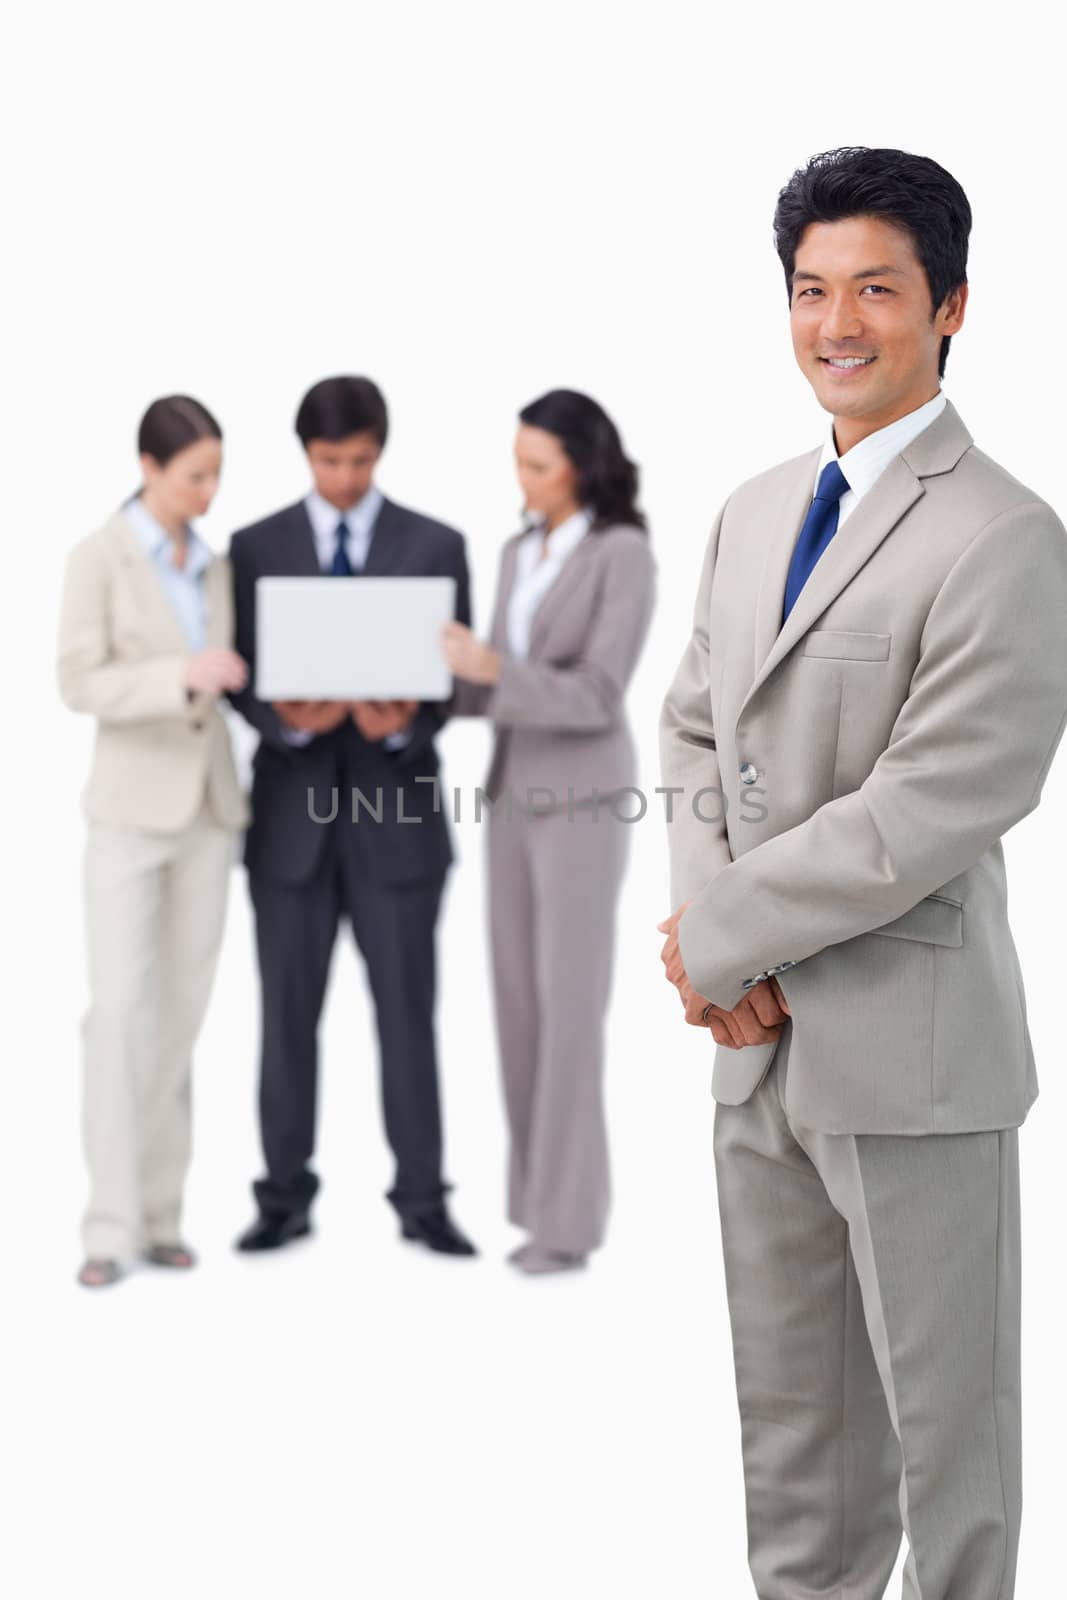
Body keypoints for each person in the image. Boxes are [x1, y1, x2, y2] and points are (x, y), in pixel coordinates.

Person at [658, 146, 1067, 1598]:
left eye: (874, 291)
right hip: (755, 1055)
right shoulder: (751, 508)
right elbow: (695, 722)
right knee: (795, 1447)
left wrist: (720, 938)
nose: (836, 323)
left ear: (949, 306)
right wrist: (722, 946)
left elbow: (937, 798)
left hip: (910, 1063)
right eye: (809, 290)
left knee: (942, 1450)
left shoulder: (1002, 535)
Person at [228, 375, 476, 1257]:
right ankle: (282, 1198)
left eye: (361, 460)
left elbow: (454, 684)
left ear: (382, 449)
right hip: (289, 825)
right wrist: (283, 721)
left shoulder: (436, 544)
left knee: (408, 1019)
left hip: (396, 820)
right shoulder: (251, 546)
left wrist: (407, 723)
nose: (345, 478)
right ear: (305, 453)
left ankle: (423, 1201)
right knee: (284, 1021)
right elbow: (242, 678)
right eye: (330, 461)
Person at [442, 389, 655, 1274]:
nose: (522, 479)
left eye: (539, 465)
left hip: (581, 799)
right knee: (519, 1008)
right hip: (510, 792)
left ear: (582, 466)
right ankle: (535, 1209)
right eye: (518, 461)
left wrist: (493, 667)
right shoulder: (513, 551)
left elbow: (598, 693)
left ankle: (566, 1226)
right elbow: (494, 687)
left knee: (570, 1011)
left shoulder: (621, 555)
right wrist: (421, 682)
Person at [57, 395, 250, 1289]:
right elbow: (79, 680)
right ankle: (107, 1227)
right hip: (130, 815)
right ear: (149, 467)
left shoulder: (209, 566)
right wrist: (180, 674)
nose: (209, 492)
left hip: (208, 809)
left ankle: (162, 1215)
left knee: (179, 1016)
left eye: (215, 473)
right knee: (118, 1016)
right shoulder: (98, 559)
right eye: (193, 477)